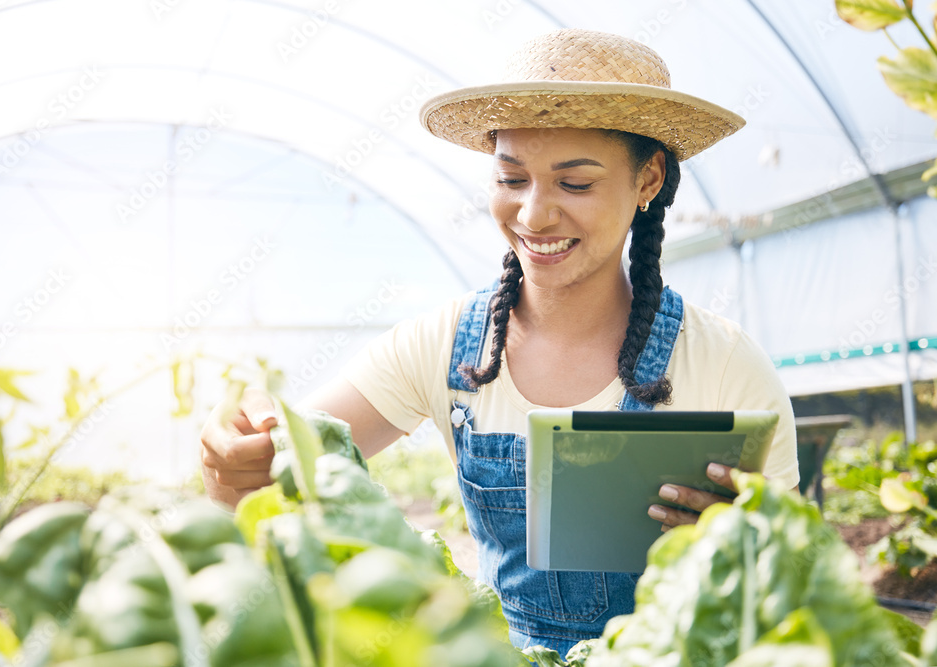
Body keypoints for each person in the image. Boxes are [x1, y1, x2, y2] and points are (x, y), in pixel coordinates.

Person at [200, 29, 800, 655]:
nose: (535, 215)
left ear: (648, 179)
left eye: (575, 184)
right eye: (512, 179)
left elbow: (793, 585)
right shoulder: (443, 345)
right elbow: (268, 475)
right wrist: (233, 454)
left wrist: (743, 550)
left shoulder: (724, 362)